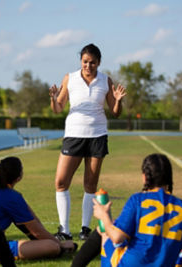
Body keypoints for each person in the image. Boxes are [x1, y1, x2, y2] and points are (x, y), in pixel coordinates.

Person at [73, 154, 182, 267]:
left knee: (104, 231)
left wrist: (104, 216)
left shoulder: (137, 200)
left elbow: (117, 237)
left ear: (144, 177)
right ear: (169, 178)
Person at [49, 43, 126, 240]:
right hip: (73, 135)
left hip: (97, 136)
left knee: (90, 184)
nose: (88, 66)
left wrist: (118, 100)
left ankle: (85, 229)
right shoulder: (70, 78)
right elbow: (58, 108)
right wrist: (54, 99)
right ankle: (64, 230)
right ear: (80, 61)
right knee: (60, 182)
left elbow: (115, 113)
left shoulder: (105, 80)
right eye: (85, 62)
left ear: (99, 62)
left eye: (92, 62)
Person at [0, 156, 76, 264]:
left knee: (23, 206)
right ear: (18, 177)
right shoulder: (12, 197)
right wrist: (60, 244)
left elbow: (32, 221)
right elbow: (37, 231)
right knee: (52, 247)